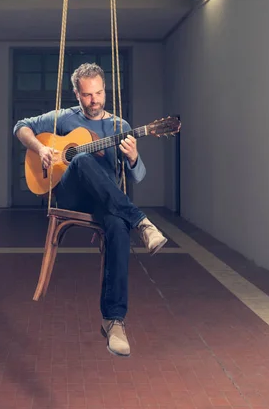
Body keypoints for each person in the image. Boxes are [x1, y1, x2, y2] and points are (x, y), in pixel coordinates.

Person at [13, 62, 167, 357]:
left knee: (118, 225)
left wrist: (134, 157)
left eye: (99, 93)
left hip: (106, 200)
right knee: (81, 159)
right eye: (87, 95)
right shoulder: (63, 118)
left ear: (105, 89)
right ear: (77, 93)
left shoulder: (119, 127)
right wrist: (40, 149)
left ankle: (114, 321)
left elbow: (138, 176)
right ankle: (143, 223)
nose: (94, 100)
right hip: (71, 194)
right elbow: (21, 126)